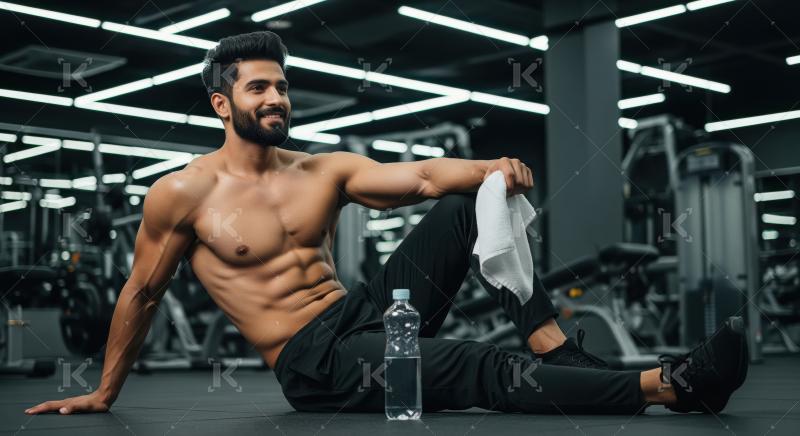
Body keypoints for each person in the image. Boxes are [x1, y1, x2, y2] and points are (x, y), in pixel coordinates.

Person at [25, 31, 748, 416]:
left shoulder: (323, 169)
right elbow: (141, 294)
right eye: (259, 87)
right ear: (223, 104)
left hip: (357, 315)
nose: (277, 96)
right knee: (473, 365)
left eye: (281, 84)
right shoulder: (180, 194)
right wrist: (103, 391)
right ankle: (670, 385)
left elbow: (431, 179)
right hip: (315, 365)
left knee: (469, 204)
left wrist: (493, 166)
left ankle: (558, 350)